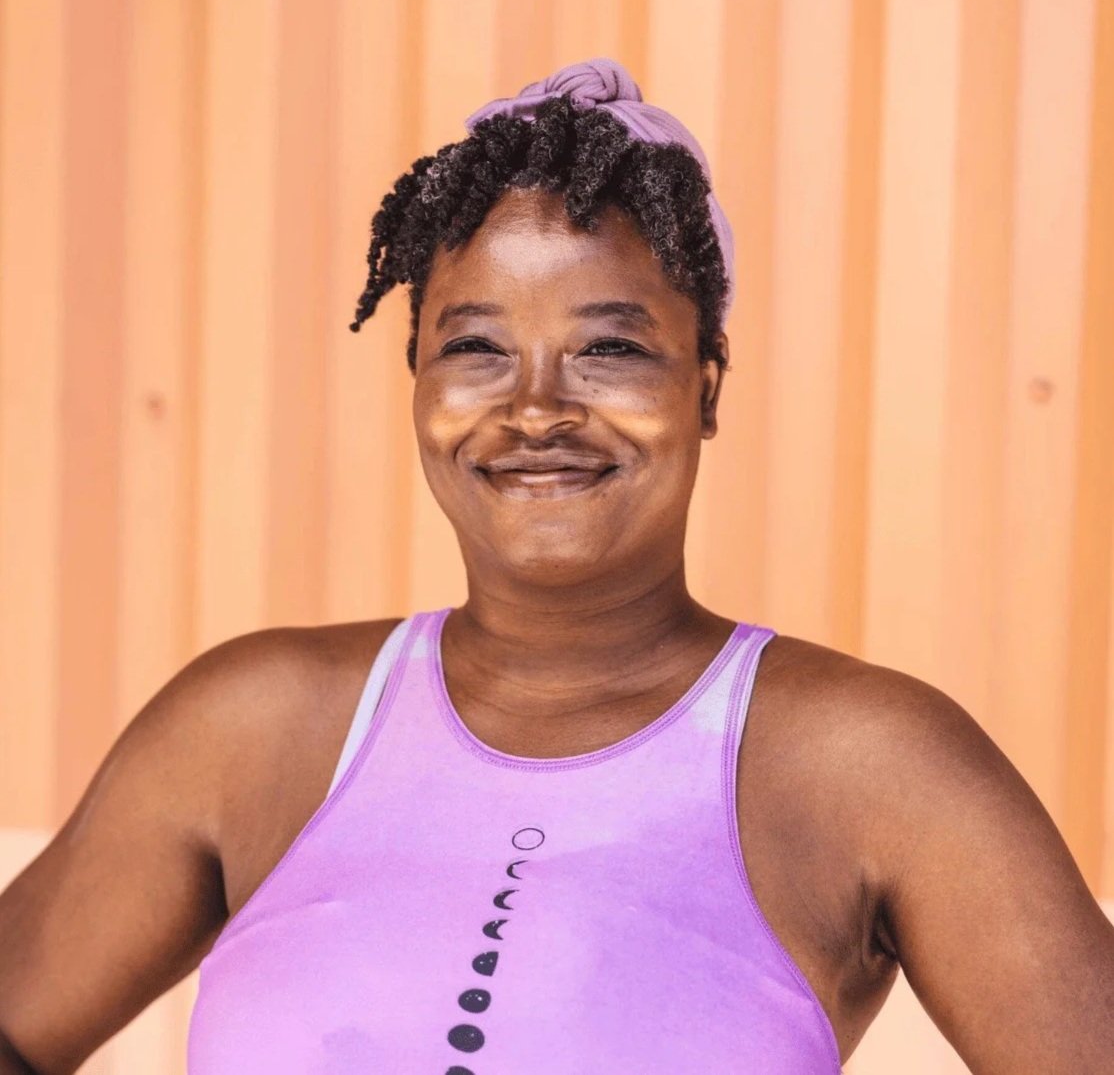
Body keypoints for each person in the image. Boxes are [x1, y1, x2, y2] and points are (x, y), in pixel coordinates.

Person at [1, 58, 1111, 1075]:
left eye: (609, 347)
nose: (535, 408)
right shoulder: (249, 727)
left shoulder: (870, 766)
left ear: (705, 388)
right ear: (419, 382)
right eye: (475, 346)